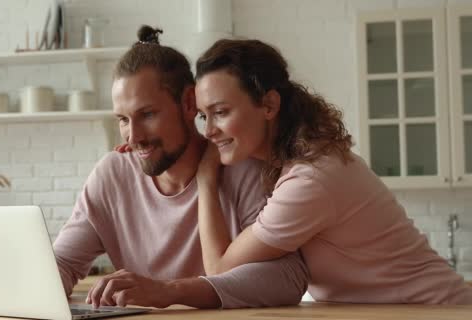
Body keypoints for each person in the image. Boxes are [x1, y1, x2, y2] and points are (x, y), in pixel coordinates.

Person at [194, 38, 472, 304]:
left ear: (269, 105)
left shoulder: (309, 178)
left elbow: (219, 270)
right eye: (203, 116)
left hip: (440, 310)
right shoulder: (301, 160)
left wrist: (205, 180)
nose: (208, 131)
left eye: (220, 112)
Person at [52, 26, 309, 309]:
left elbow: (290, 277)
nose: (133, 136)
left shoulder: (243, 168)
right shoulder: (112, 174)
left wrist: (170, 291)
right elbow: (62, 263)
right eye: (123, 119)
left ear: (188, 103)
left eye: (147, 114)